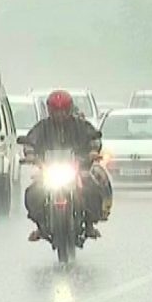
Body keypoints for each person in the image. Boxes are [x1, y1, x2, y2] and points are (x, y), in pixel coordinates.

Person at [24, 90, 107, 242]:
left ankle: (89, 224)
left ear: (69, 110)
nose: (60, 115)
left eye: (63, 111)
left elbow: (94, 137)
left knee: (92, 188)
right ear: (50, 111)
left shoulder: (80, 125)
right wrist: (30, 154)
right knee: (33, 192)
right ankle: (41, 225)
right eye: (56, 111)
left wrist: (93, 151)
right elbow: (31, 141)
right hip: (49, 170)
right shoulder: (43, 127)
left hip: (77, 169)